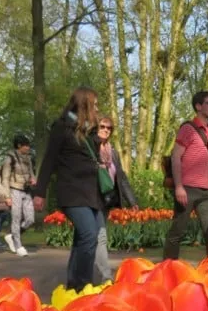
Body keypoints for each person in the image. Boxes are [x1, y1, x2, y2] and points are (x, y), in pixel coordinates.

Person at [33, 87, 104, 291]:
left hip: (91, 192)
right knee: (89, 235)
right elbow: (49, 160)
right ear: (85, 105)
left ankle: (73, 284)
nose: (98, 108)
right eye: (95, 104)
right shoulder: (62, 127)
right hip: (72, 191)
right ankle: (83, 285)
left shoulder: (89, 132)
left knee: (85, 237)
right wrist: (40, 192)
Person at [163, 91, 208, 259]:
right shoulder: (188, 129)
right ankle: (167, 270)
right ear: (198, 106)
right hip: (187, 189)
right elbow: (176, 156)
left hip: (205, 192)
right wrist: (178, 187)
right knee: (177, 231)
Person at [94, 116, 137, 282]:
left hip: (106, 199)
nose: (106, 129)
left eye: (109, 128)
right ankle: (106, 277)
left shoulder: (113, 153)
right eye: (102, 126)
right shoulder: (90, 148)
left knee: (89, 238)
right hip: (91, 197)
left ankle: (77, 273)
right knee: (101, 236)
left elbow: (121, 178)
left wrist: (132, 201)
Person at [0, 134, 37, 257]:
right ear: (19, 145)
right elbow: (5, 177)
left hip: (26, 190)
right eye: (26, 145)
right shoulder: (10, 158)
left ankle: (11, 236)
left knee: (30, 219)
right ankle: (18, 245)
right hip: (14, 189)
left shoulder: (28, 158)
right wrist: (7, 196)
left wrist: (33, 179)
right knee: (16, 218)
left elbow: (31, 173)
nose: (28, 147)